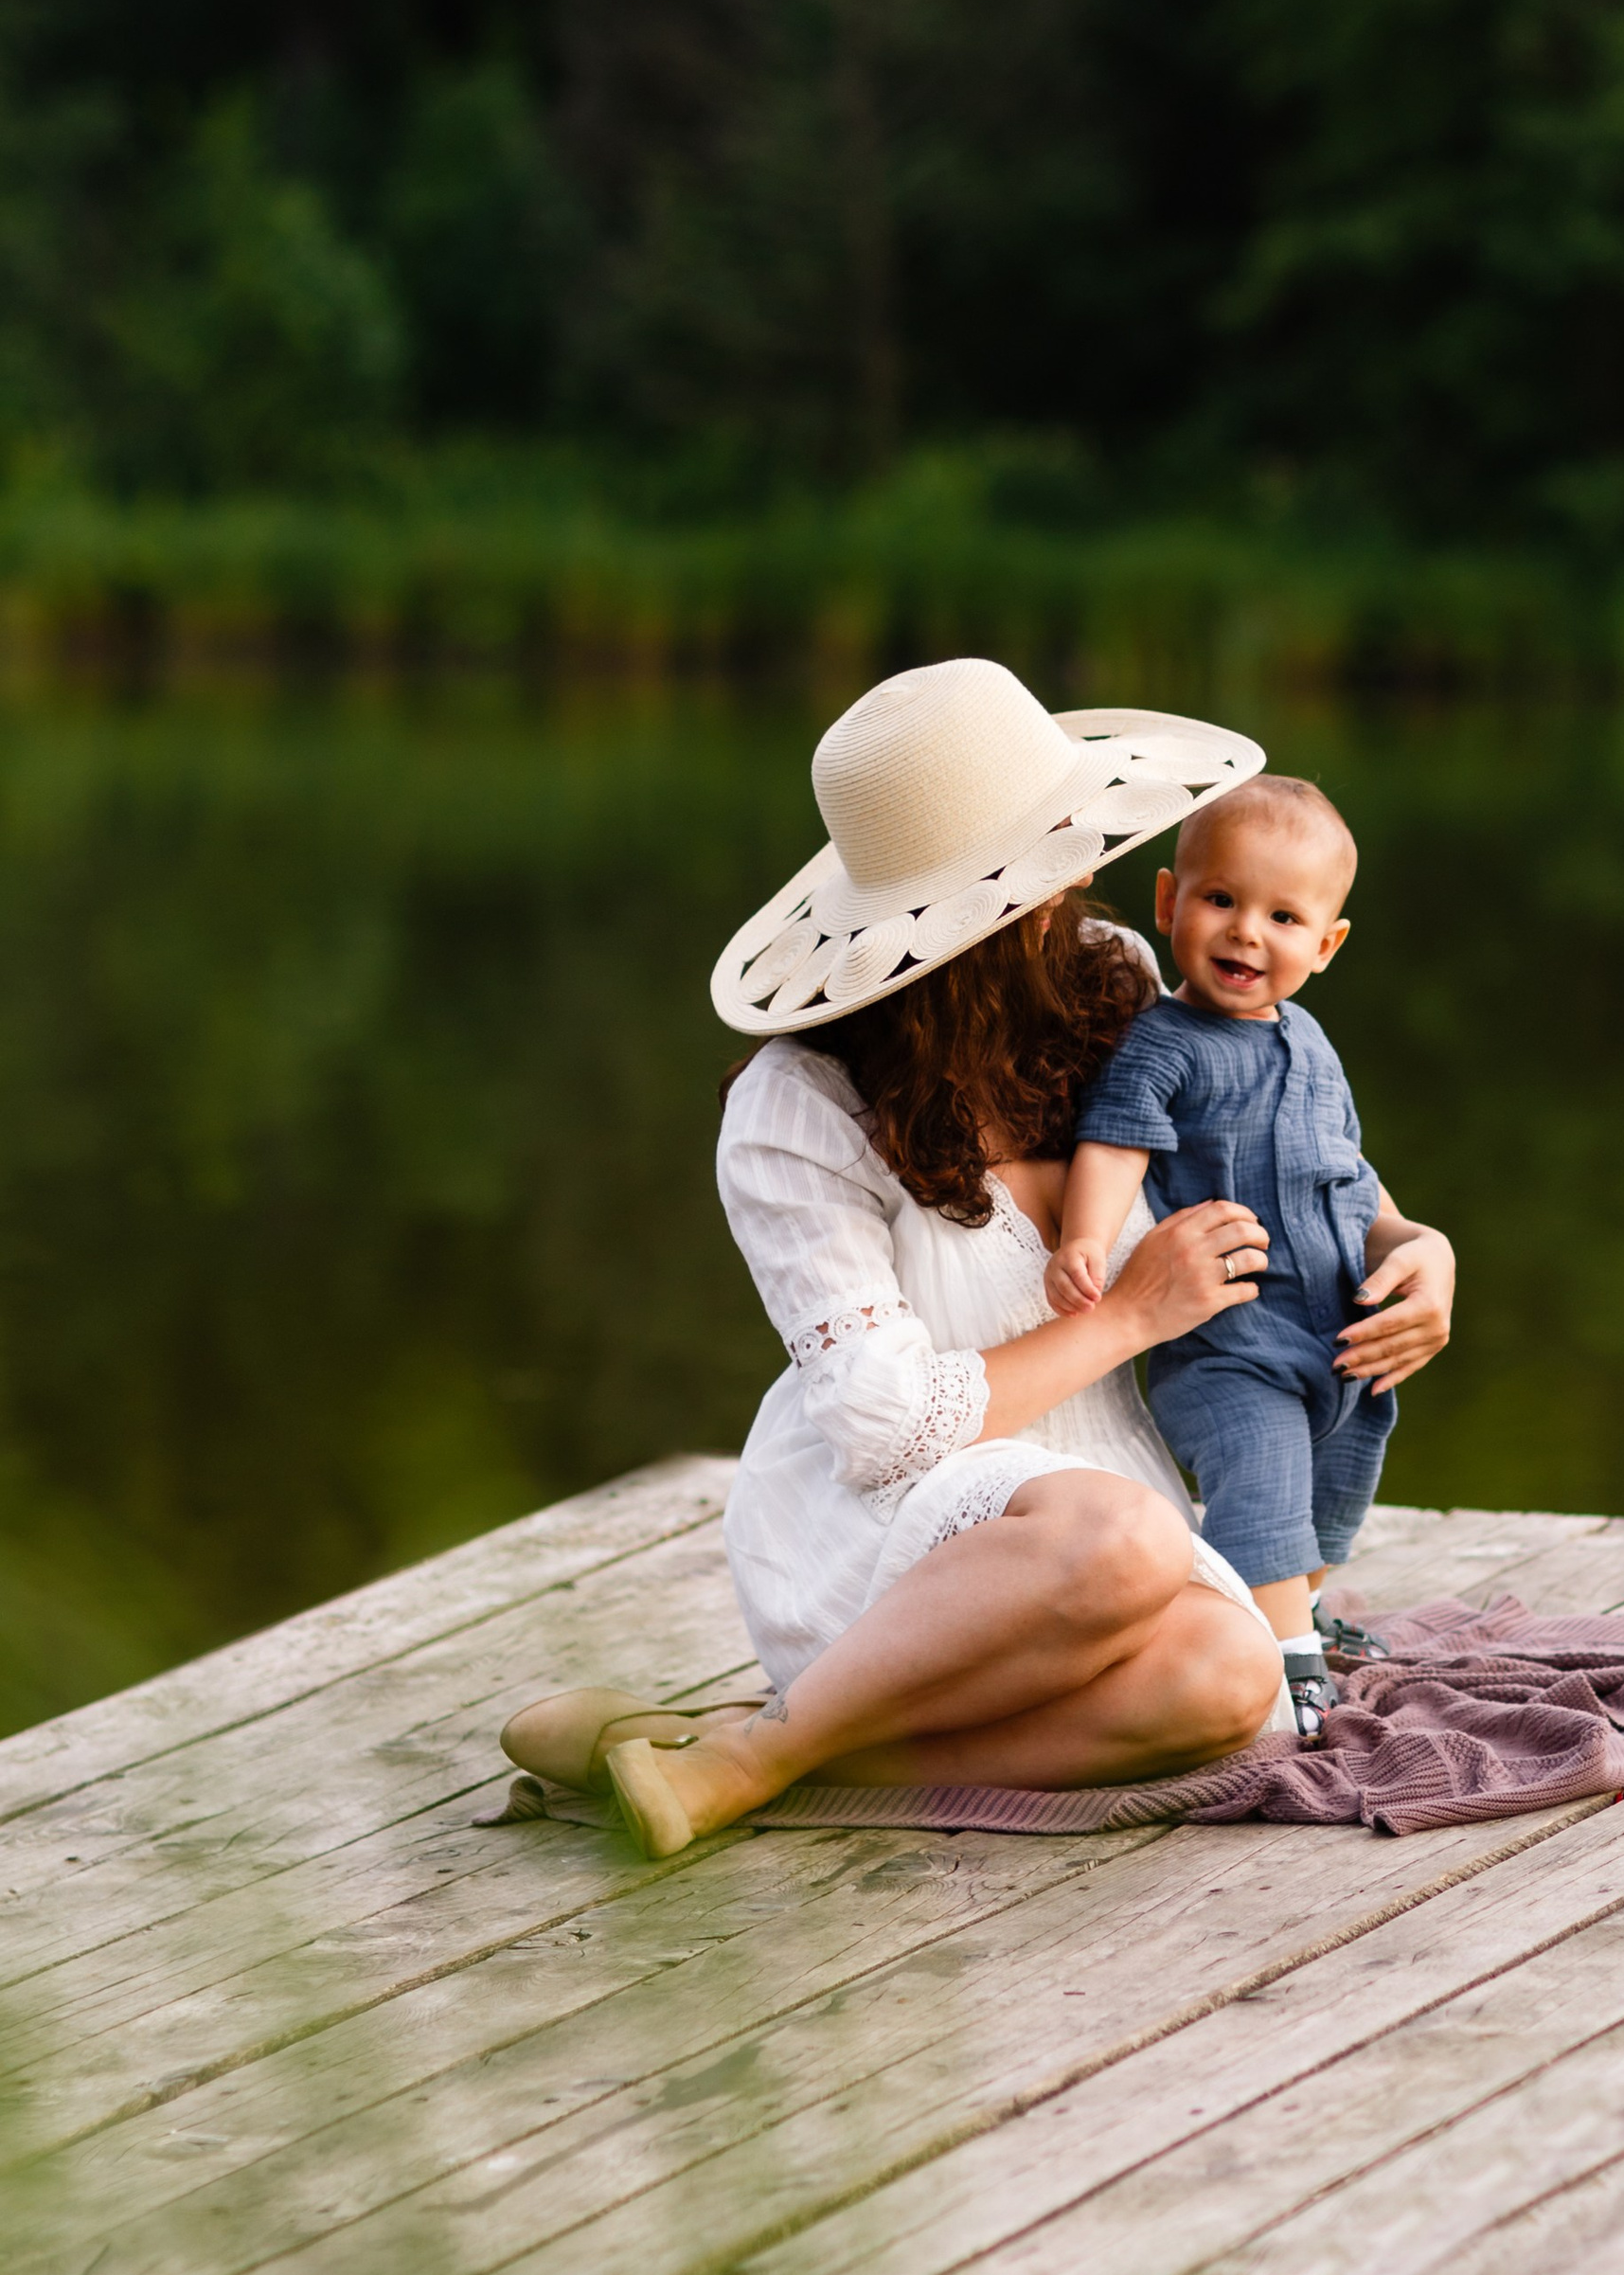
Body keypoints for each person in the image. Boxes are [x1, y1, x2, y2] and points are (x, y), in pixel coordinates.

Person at [497, 657, 1456, 1859]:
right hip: (897, 1537)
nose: (1082, 885)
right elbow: (881, 1426)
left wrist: (1412, 1247)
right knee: (1124, 1542)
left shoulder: (1108, 980)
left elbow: (1270, 1145)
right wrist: (1126, 1319)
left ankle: (759, 1753)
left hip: (1108, 1509)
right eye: (1053, 862)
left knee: (1228, 1680)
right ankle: (771, 1744)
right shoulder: (798, 1111)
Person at [1044, 776, 1411, 1738]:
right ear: (1170, 903)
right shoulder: (1166, 1043)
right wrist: (1086, 1237)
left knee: (1340, 1482)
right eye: (1221, 901)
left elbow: (1345, 1169)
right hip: (1228, 1339)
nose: (1247, 933)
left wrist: (1407, 1247)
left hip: (1333, 1330)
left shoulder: (1311, 1041)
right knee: (1259, 1476)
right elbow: (1117, 1143)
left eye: (1283, 916)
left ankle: (1292, 1612)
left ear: (1325, 946)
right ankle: (1285, 1666)